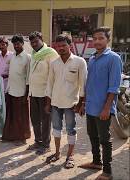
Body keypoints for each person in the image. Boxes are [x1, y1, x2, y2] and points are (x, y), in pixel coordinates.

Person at [79, 27, 122, 180]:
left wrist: (106, 108)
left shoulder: (114, 58)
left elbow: (114, 87)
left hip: (103, 108)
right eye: (94, 38)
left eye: (100, 38)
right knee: (92, 135)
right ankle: (96, 162)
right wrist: (84, 103)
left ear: (107, 40)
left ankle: (107, 172)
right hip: (91, 106)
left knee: (105, 139)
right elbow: (89, 84)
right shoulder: (92, 58)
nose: (97, 41)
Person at [44, 34, 87, 168]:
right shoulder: (54, 63)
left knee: (70, 130)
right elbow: (50, 84)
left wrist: (81, 104)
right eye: (58, 46)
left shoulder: (79, 62)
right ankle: (57, 153)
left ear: (70, 45)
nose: (61, 48)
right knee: (56, 129)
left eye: (64, 45)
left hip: (71, 104)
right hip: (55, 102)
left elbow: (83, 84)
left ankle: (70, 156)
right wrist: (48, 103)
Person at [27, 31, 59, 154]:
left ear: (42, 39)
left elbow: (54, 74)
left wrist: (50, 95)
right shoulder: (34, 54)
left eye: (36, 41)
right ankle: (38, 141)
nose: (34, 44)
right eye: (32, 42)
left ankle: (46, 145)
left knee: (45, 119)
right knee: (35, 119)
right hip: (33, 93)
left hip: (45, 93)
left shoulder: (51, 53)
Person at [2, 34, 31, 145]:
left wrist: (26, 94)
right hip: (11, 90)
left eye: (18, 43)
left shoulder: (27, 57)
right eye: (14, 44)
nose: (16, 46)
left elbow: (28, 77)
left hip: (21, 92)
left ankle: (22, 137)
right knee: (12, 115)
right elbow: (11, 73)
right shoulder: (13, 56)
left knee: (21, 116)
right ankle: (12, 136)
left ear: (22, 44)